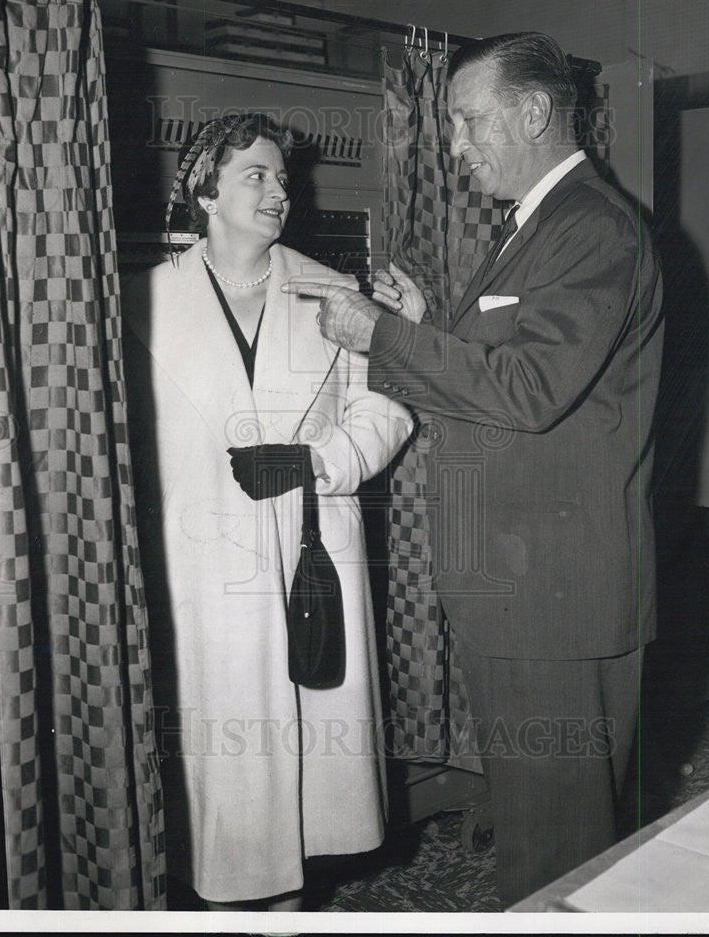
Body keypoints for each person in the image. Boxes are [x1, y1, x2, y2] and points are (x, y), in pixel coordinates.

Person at [282, 33, 664, 907]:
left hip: (554, 596)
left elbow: (529, 392)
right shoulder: (539, 224)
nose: (453, 144)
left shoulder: (588, 224)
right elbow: (518, 366)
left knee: (557, 846)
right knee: (546, 825)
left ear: (533, 113)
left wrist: (385, 335)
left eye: (466, 121)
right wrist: (428, 327)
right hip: (525, 586)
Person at [122, 113, 412, 910]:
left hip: (308, 552)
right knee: (224, 772)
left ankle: (288, 904)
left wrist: (325, 461)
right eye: (256, 174)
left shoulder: (331, 292)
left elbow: (386, 409)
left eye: (284, 178)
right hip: (198, 563)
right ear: (203, 192)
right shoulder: (135, 302)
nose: (279, 190)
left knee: (311, 766)